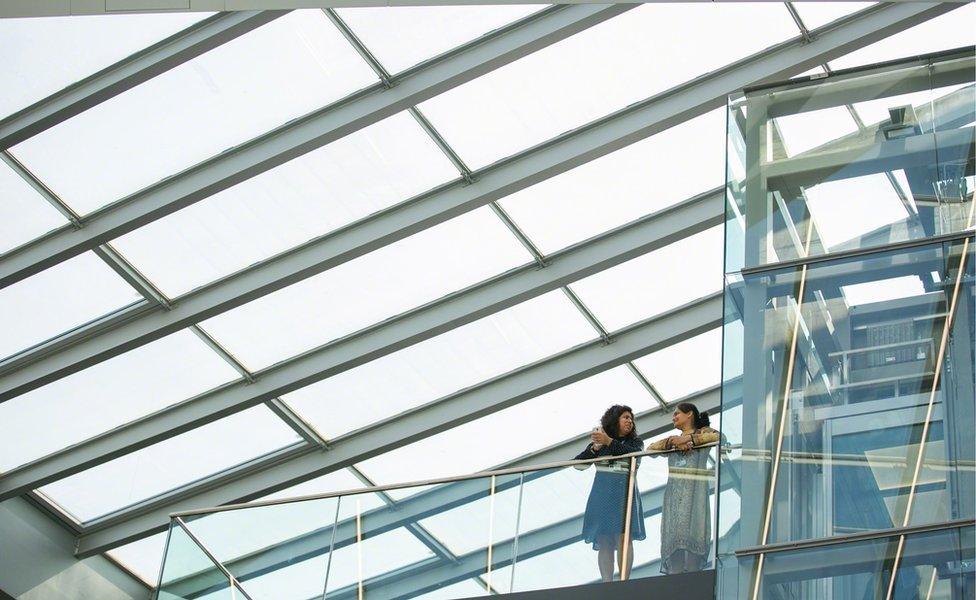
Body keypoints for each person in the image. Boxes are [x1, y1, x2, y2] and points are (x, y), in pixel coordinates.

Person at [575, 405, 646, 582]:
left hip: (623, 494)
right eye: (625, 417)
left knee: (623, 535)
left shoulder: (635, 443)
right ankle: (607, 582)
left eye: (631, 418)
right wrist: (593, 449)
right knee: (604, 538)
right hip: (602, 494)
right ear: (615, 420)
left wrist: (608, 442)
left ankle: (623, 581)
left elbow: (633, 457)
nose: (630, 421)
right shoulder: (601, 443)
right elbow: (578, 465)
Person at [648, 402, 720, 574]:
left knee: (695, 535)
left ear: (690, 415)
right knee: (674, 540)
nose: (674, 417)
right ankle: (676, 583)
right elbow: (650, 449)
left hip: (696, 493)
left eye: (677, 413)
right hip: (674, 495)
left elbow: (719, 437)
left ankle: (692, 582)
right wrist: (673, 442)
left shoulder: (704, 432)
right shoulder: (671, 440)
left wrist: (688, 439)